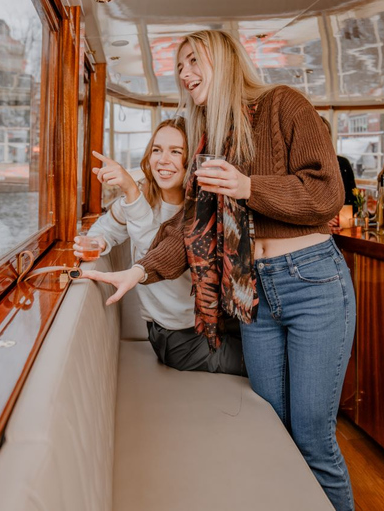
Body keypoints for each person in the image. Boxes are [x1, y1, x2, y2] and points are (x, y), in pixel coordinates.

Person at [81, 30, 356, 511]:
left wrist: (249, 186)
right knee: (270, 425)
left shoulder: (283, 104)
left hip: (313, 281)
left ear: (224, 59)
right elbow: (192, 226)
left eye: (192, 61)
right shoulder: (210, 139)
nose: (184, 74)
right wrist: (140, 272)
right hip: (253, 294)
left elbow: (327, 193)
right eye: (179, 67)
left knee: (312, 440)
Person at [74, 118, 245, 375]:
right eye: (157, 150)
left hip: (215, 321)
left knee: (274, 349)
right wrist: (98, 241)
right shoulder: (140, 202)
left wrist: (132, 194)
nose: (163, 160)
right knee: (267, 366)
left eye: (176, 152)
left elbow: (163, 249)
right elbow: (150, 256)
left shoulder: (203, 208)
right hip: (178, 338)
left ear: (193, 160)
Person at [321, 116, 356, 206]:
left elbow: (352, 201)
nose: (323, 137)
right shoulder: (301, 167)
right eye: (319, 132)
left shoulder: (343, 164)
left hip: (342, 218)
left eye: (326, 133)